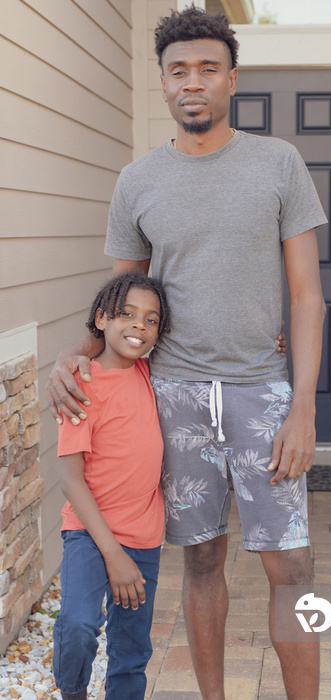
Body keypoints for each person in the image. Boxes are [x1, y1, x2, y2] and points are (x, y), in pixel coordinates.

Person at [47, 6, 327, 699]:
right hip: (170, 396)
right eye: (179, 71)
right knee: (201, 561)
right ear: (164, 84)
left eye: (207, 69)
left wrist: (301, 409)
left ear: (232, 79)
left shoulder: (278, 163)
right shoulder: (138, 180)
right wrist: (73, 354)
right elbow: (121, 291)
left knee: (289, 567)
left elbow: (306, 296)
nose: (192, 82)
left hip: (261, 391)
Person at [52, 272, 170, 700]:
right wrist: (113, 554)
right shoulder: (79, 385)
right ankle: (72, 690)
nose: (139, 326)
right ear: (101, 319)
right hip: (89, 531)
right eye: (127, 314)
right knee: (80, 625)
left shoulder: (150, 372)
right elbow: (70, 480)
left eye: (151, 319)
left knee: (132, 649)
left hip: (143, 535)